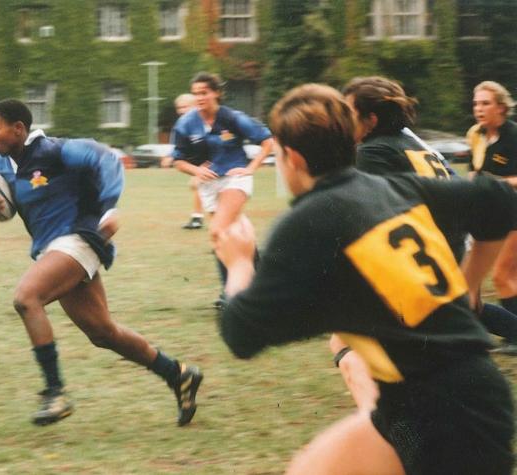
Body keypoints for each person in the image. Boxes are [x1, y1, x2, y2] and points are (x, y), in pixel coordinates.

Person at [215, 84, 515, 474]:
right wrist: (468, 285)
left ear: (292, 157)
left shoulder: (307, 220)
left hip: (446, 417)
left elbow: (240, 333)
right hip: (430, 401)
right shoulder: (393, 186)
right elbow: (500, 202)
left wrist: (238, 264)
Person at [0, 99, 203, 426]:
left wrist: (109, 208)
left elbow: (108, 160)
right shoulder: (0, 165)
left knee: (26, 297)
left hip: (81, 238)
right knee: (103, 332)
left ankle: (54, 392)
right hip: (54, 251)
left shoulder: (55, 150)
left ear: (18, 129)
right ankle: (179, 374)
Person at [334, 76, 517, 411]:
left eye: (348, 112)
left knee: (349, 340)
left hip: (419, 257)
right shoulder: (411, 141)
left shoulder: (374, 152)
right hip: (446, 247)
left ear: (371, 120)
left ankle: (388, 426)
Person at [171, 72, 274, 305]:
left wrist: (251, 167)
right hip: (208, 184)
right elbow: (177, 160)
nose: (199, 98)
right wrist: (196, 171)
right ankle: (259, 282)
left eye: (204, 93)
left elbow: (267, 141)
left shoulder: (233, 118)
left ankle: (230, 293)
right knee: (234, 233)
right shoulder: (186, 124)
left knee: (218, 230)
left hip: (234, 178)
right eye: (196, 93)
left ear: (216, 92)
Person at [466, 80, 517, 355]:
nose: (479, 109)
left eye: (485, 103)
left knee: (502, 276)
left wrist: (498, 182)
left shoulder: (514, 136)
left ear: (501, 107)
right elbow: (476, 170)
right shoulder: (477, 134)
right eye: (476, 103)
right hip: (493, 213)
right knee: (493, 280)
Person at [161, 93, 204, 229]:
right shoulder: (181, 125)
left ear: (196, 105)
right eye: (179, 108)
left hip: (218, 159)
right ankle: (198, 218)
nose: (181, 111)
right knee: (198, 184)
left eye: (185, 107)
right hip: (202, 162)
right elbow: (179, 148)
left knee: (198, 183)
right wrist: (171, 156)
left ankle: (198, 218)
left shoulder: (206, 120)